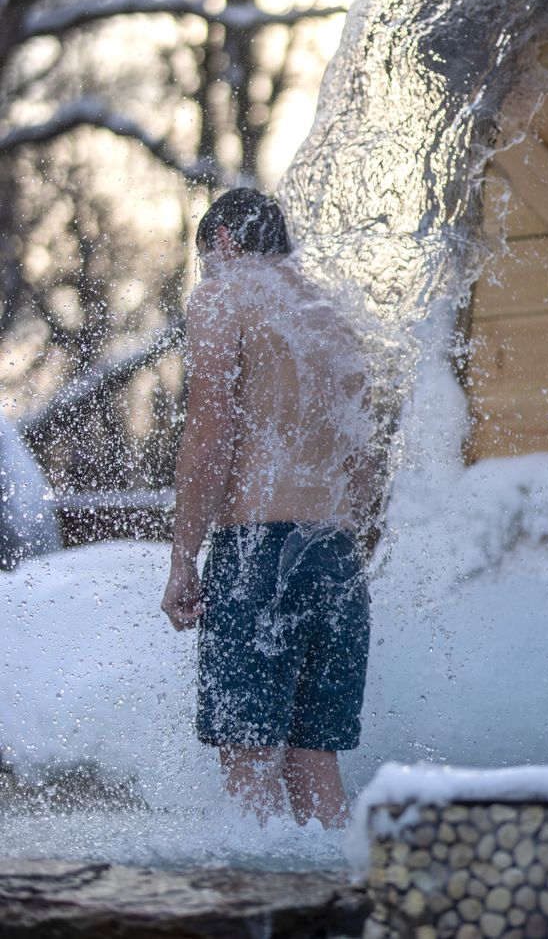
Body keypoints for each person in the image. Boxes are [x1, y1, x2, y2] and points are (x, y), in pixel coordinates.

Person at [161, 188, 379, 828]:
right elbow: (365, 463)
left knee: (249, 773)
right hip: (336, 559)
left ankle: (254, 917)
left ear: (224, 243)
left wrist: (182, 558)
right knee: (316, 770)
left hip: (258, 552)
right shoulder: (332, 314)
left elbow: (210, 431)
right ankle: (343, 915)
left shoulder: (226, 294)